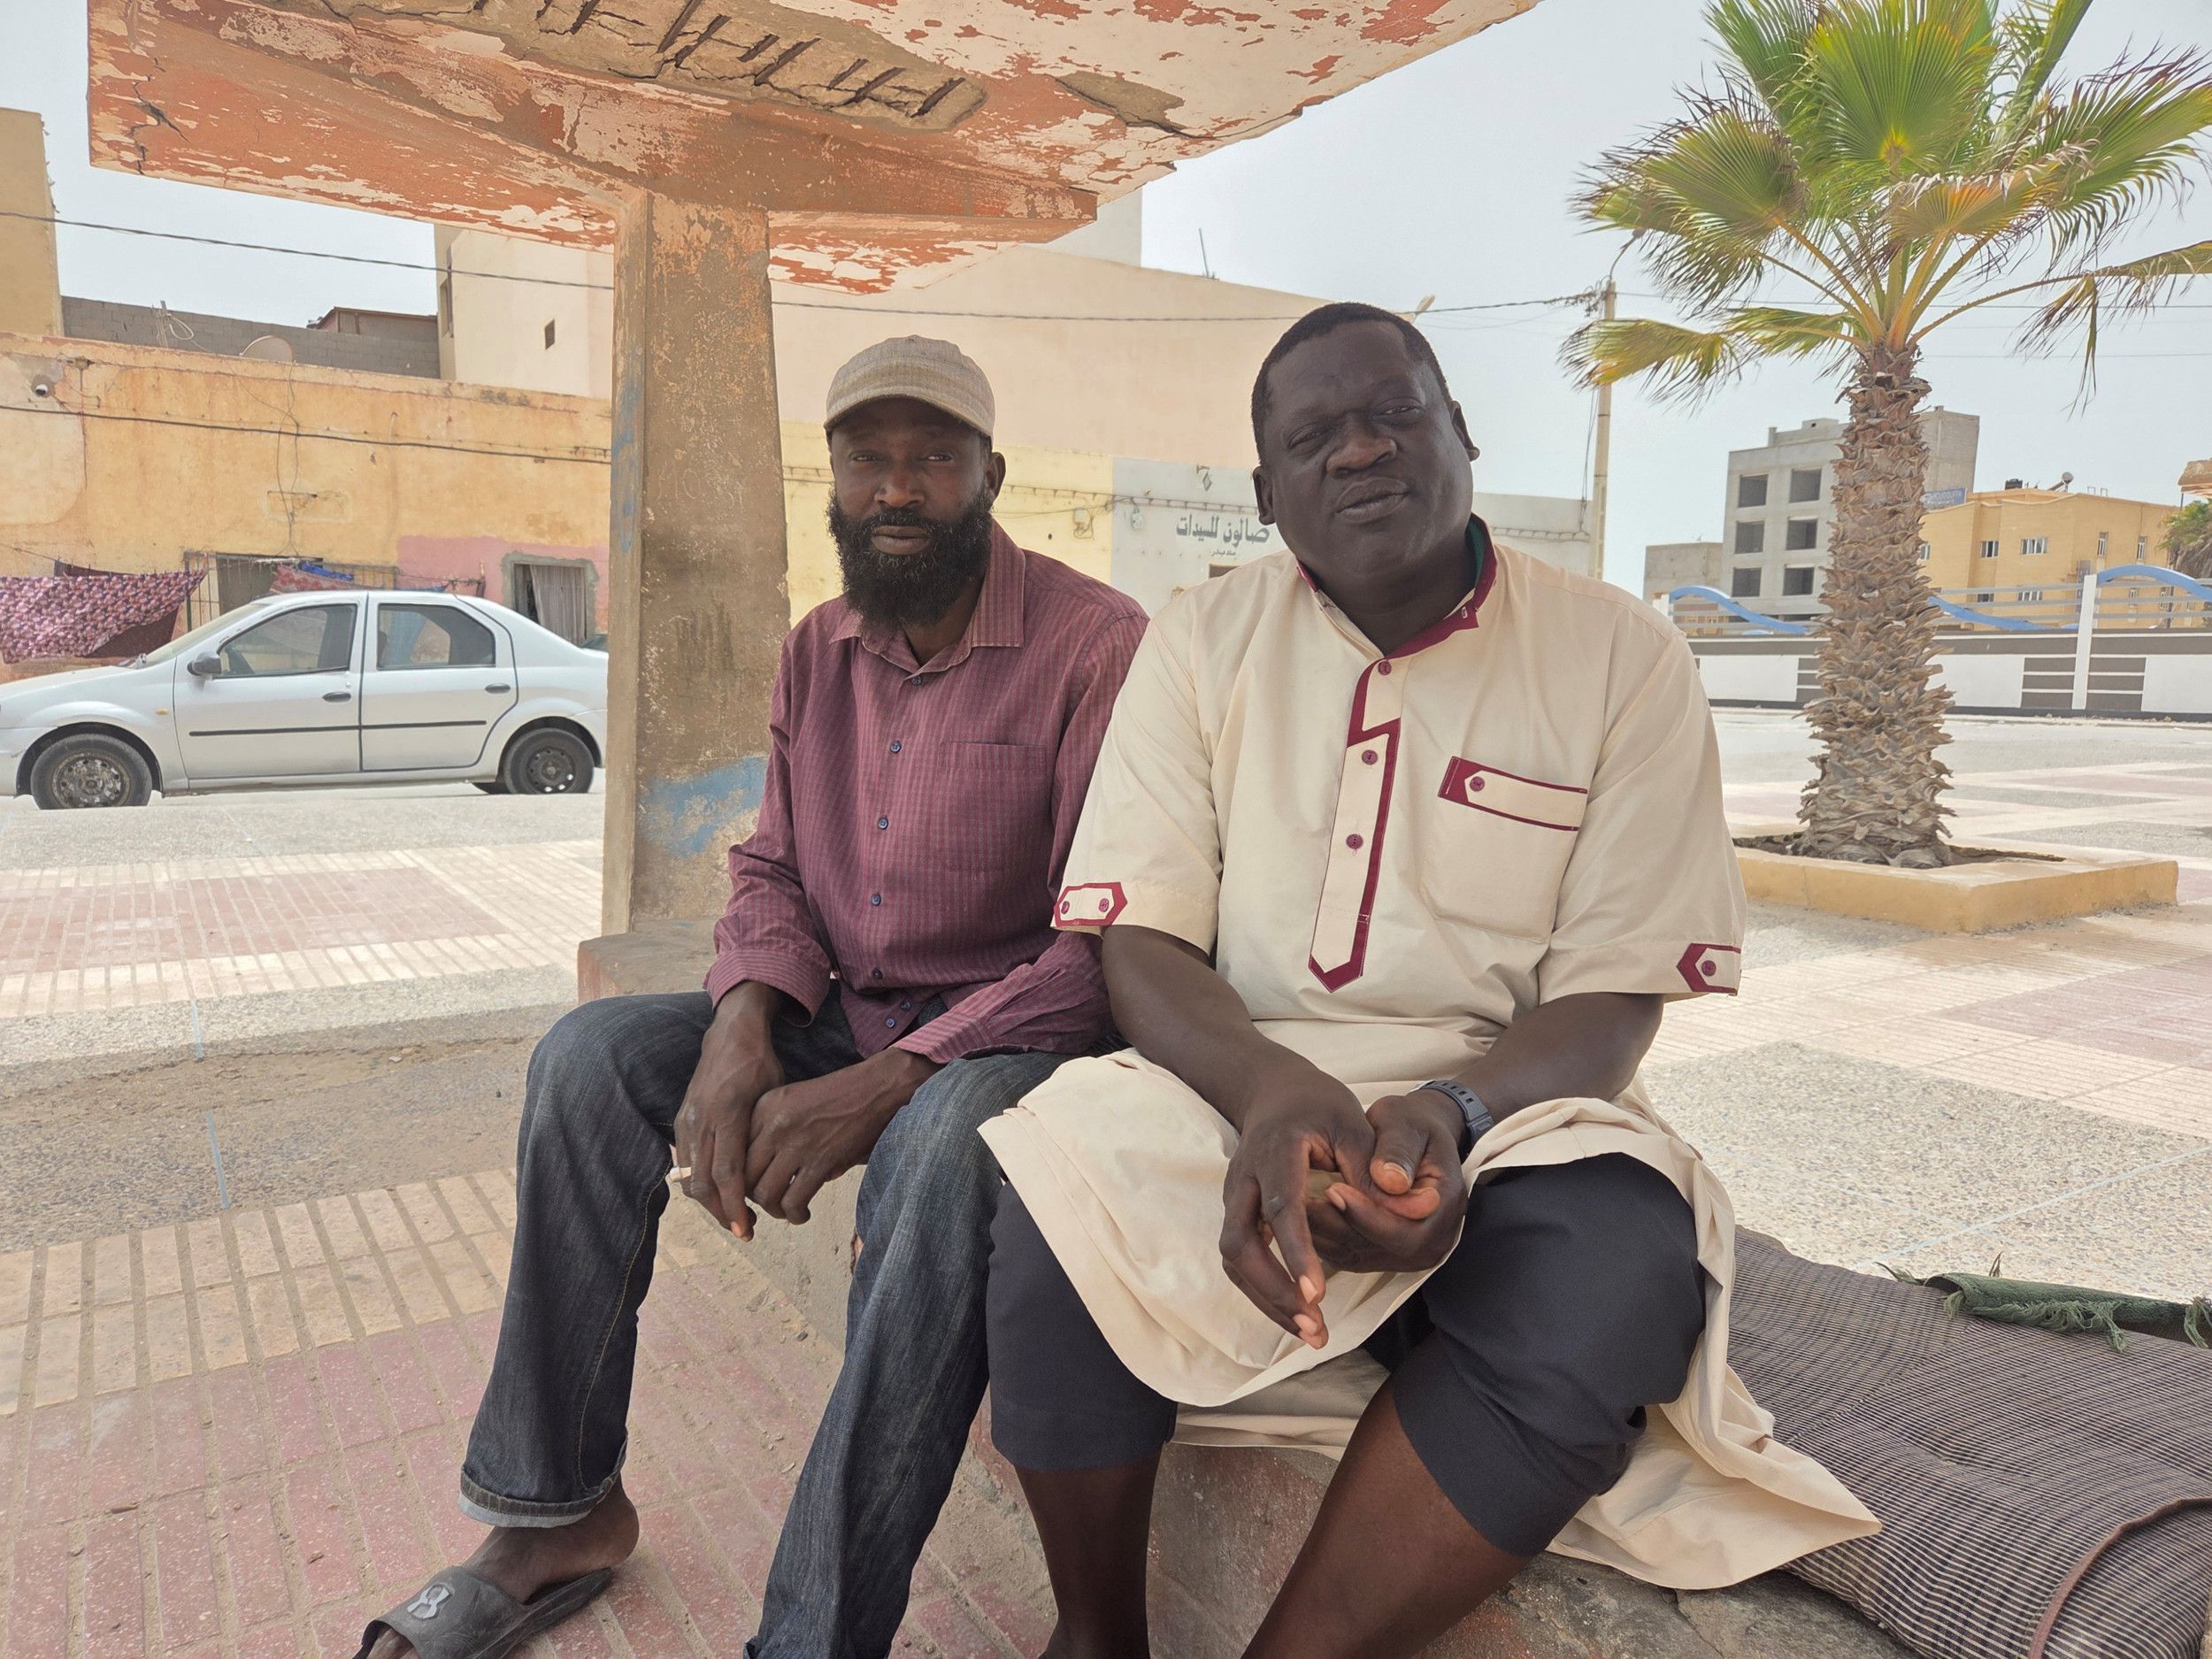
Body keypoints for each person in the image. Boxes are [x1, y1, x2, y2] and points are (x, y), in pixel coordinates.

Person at [975, 303, 1875, 1658]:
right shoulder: (1200, 638)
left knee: (1624, 1265)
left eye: (1394, 413)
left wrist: (1453, 1114)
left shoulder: (1620, 656)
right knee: (1056, 1179)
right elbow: (1141, 937)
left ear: (1460, 434)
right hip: (1238, 1079)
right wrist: (1272, 1093)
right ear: (1266, 490)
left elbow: (1617, 990)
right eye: (1313, 438)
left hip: (1509, 1112)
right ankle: (1096, 1638)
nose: (1359, 451)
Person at [357, 337, 1148, 1659]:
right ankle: (557, 1513)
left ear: (992, 477)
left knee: (940, 1149)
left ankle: (811, 1639)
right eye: (867, 459)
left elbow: (1104, 948)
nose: (898, 489)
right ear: (832, 478)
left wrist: (895, 1080)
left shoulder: (1095, 647)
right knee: (589, 1061)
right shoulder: (815, 651)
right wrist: (743, 1020)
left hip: (1015, 1038)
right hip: (847, 1012)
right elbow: (774, 865)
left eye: (934, 459)